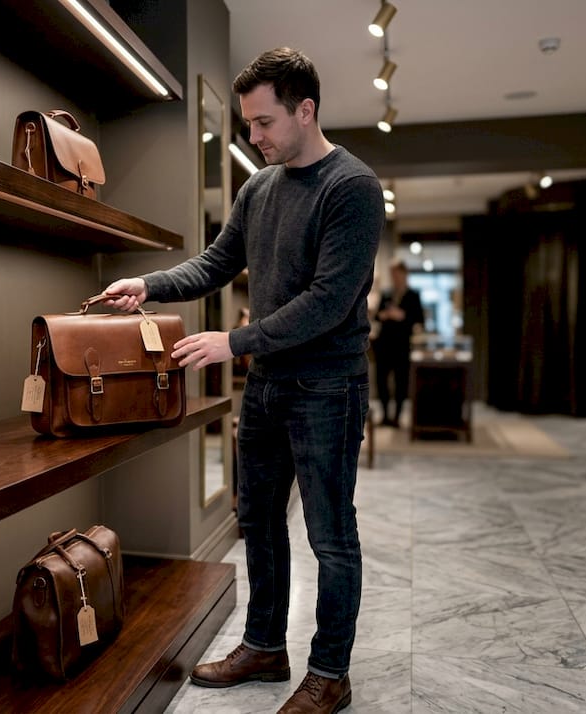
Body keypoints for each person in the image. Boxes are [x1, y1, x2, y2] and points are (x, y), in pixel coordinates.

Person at [102, 47, 382, 714]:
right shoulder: (260, 188)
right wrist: (149, 283)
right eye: (248, 124)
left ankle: (330, 674)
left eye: (262, 123)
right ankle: (263, 645)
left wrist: (234, 340)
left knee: (330, 536)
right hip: (267, 387)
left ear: (305, 110)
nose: (252, 137)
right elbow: (215, 264)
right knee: (257, 519)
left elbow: (327, 302)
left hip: (329, 389)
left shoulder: (353, 188)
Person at [372, 259, 424, 427]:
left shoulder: (413, 296)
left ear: (404, 274)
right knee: (381, 381)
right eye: (392, 274)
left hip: (402, 345)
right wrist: (385, 315)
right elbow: (376, 316)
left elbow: (419, 321)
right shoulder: (386, 294)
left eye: (396, 274)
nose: (394, 277)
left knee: (401, 381)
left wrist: (402, 316)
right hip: (384, 344)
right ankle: (385, 415)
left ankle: (397, 417)